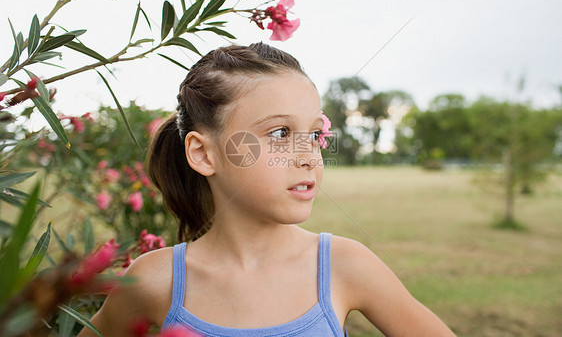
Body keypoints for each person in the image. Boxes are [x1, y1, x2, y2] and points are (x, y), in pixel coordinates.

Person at [78, 43, 456, 337]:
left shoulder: (344, 266)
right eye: (280, 133)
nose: (309, 156)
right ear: (203, 153)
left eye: (314, 134)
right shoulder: (153, 281)